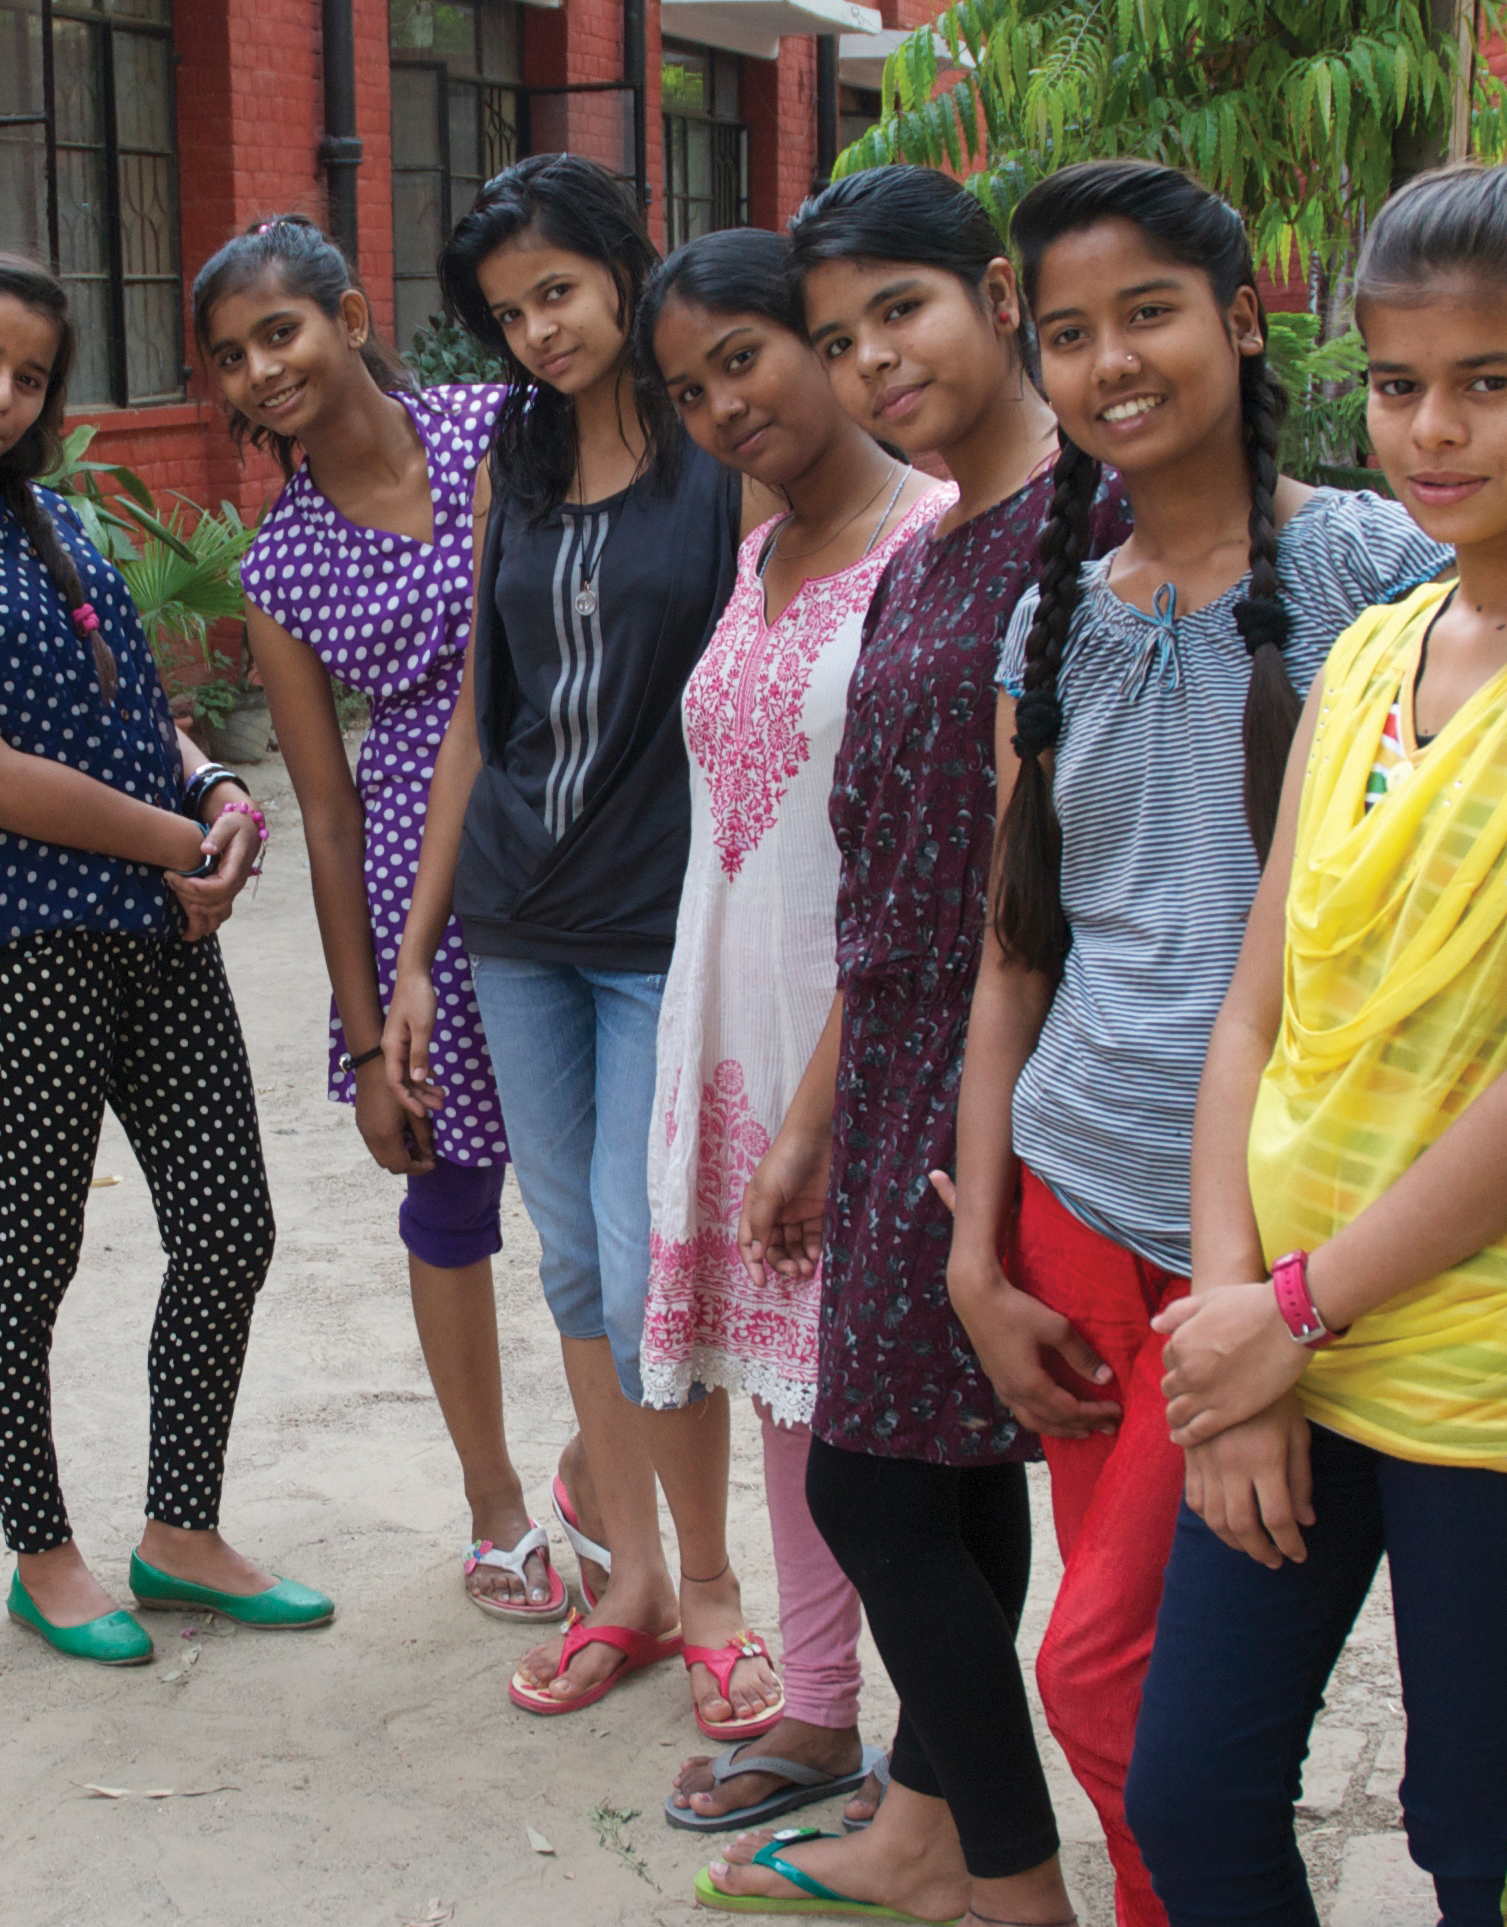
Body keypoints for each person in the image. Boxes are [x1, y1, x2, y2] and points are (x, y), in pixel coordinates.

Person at [1123, 162, 1507, 1927]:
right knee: (1193, 1793)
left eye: (1491, 382)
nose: (1432, 431)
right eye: (1399, 386)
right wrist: (1232, 1327)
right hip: (1284, 1333)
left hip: (1501, 1366)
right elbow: (1260, 1010)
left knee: (1491, 1846)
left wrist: (1288, 1312)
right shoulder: (1372, 649)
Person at [940, 161, 1449, 1927]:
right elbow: (1016, 954)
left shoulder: (1374, 567)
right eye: (1067, 334)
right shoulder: (1051, 612)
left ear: (1239, 320)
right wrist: (970, 1248)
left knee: (1095, 1671)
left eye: (1148, 312)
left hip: (1276, 1222)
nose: (1110, 363)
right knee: (1131, 1667)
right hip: (1073, 1202)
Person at [0, 249, 331, 1667]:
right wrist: (173, 846)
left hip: (153, 923)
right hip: (17, 940)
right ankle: (40, 1557)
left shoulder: (55, 523)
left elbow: (134, 708)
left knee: (229, 1225)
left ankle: (178, 1533)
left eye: (29, 375)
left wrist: (216, 794)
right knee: (30, 1255)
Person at [706, 165, 1085, 1927]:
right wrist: (814, 1114)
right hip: (900, 1042)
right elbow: (890, 861)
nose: (873, 363)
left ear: (997, 300)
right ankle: (932, 1817)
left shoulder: (1075, 530)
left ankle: (1006, 1884)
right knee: (927, 1465)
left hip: (1013, 1054)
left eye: (902, 315)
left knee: (876, 1474)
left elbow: (1026, 874)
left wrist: (962, 1142)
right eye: (840, 338)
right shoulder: (934, 542)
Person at [380, 154, 760, 1722]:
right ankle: (632, 1589)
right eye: (504, 312)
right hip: (515, 922)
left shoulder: (719, 445)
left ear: (616, 267)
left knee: (647, 1253)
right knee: (572, 1260)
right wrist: (412, 956)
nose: (537, 331)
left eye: (555, 291)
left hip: (664, 924)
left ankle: (720, 1589)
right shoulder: (512, 464)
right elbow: (486, 707)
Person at [193, 216, 557, 1623]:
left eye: (278, 332)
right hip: (421, 881)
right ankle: (495, 1508)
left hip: (585, 822)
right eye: (230, 358)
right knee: (452, 1194)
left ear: (348, 314)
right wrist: (359, 1037)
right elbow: (327, 809)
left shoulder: (498, 426)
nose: (260, 371)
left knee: (630, 1189)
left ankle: (605, 1466)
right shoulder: (282, 565)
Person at [633, 225, 948, 1835]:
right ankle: (821, 1715)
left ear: (825, 345)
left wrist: (824, 1102)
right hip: (733, 1023)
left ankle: (950, 1776)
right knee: (786, 1395)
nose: (721, 407)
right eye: (687, 390)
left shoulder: (935, 541)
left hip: (864, 1047)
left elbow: (923, 869)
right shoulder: (762, 551)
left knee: (884, 1436)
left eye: (741, 359)